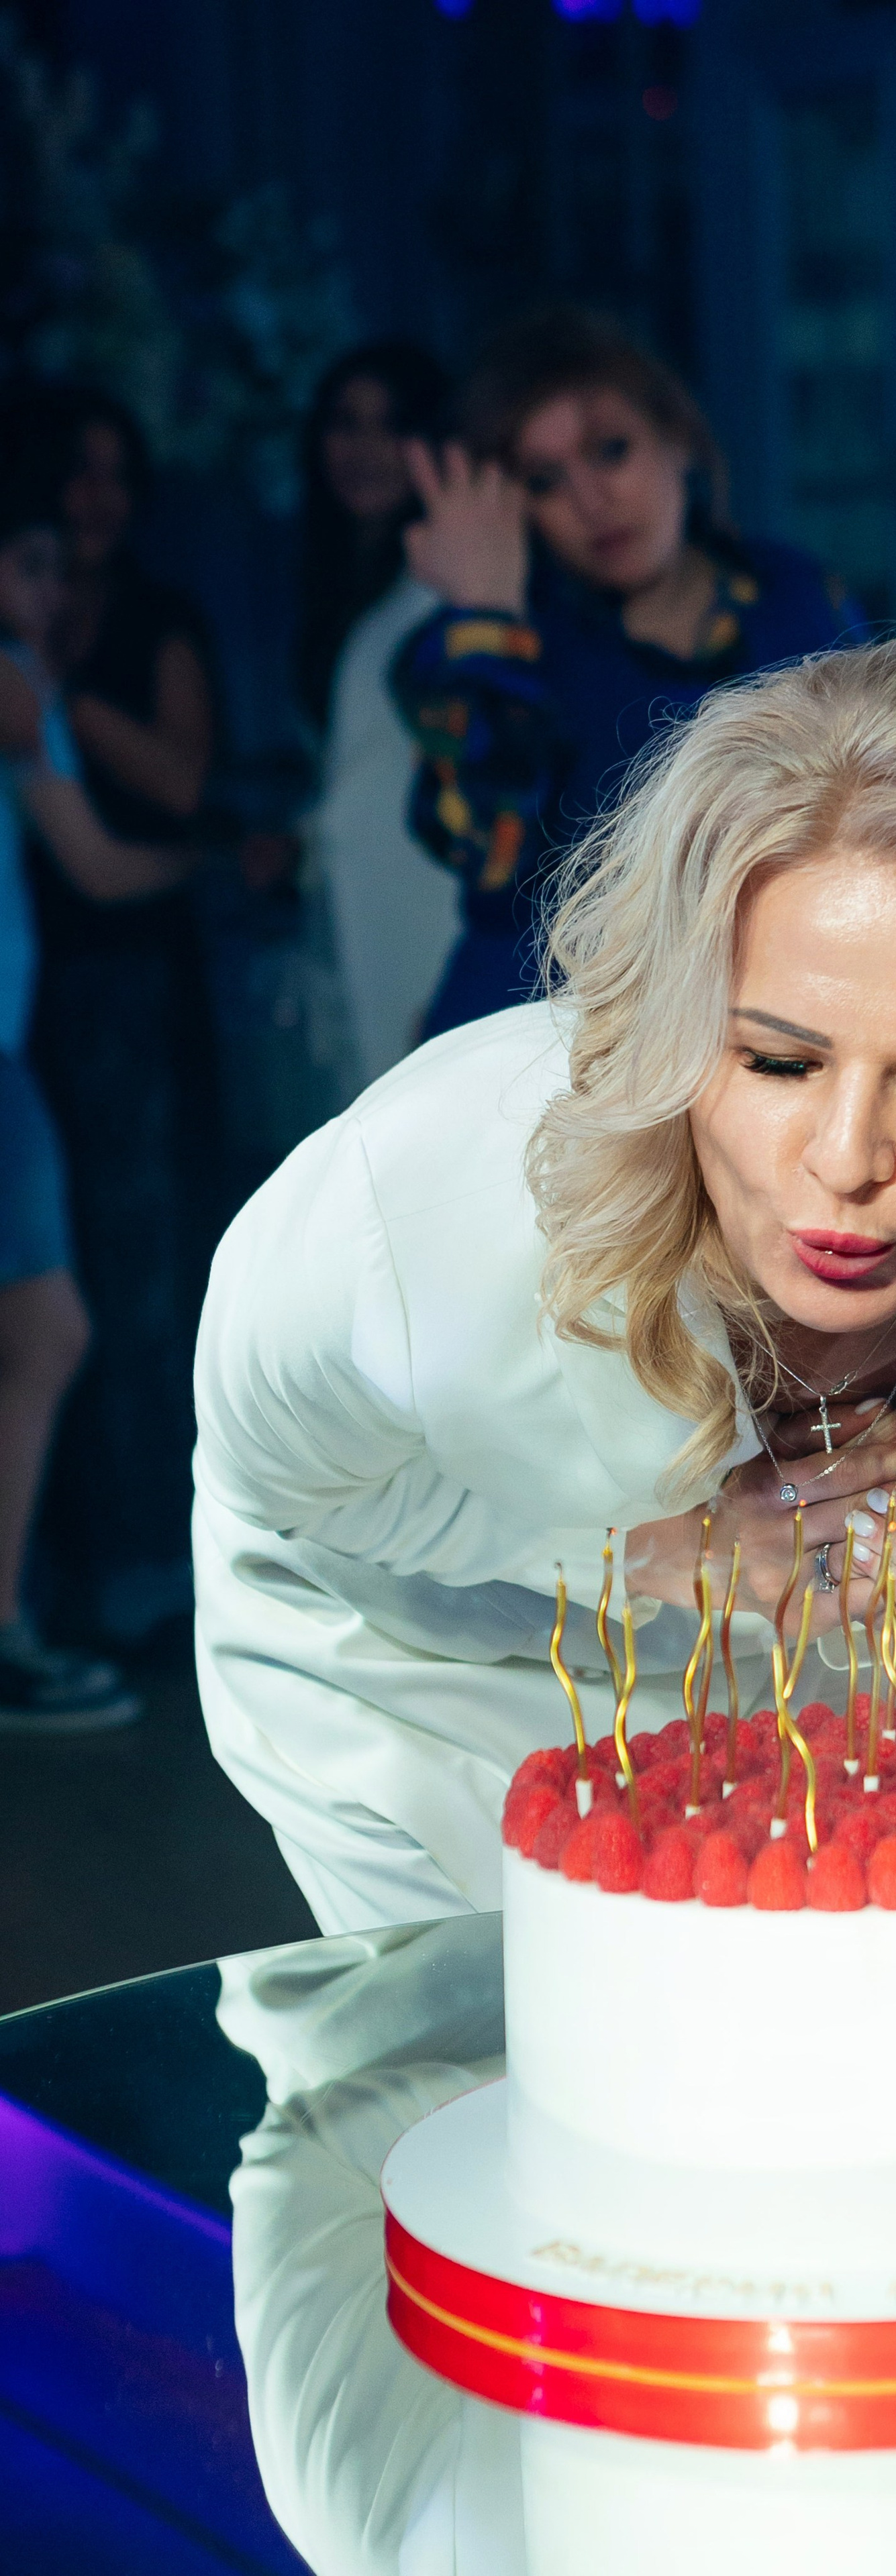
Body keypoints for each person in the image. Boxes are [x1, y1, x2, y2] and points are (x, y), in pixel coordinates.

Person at [192, 637, 896, 1936]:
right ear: (679, 1027)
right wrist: (666, 1555)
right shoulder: (432, 1221)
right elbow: (276, 1493)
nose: (849, 1162)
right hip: (421, 1688)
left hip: (801, 1702)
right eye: (777, 1062)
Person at [391, 305, 864, 1039]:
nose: (591, 501)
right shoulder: (491, 649)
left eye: (610, 451)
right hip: (542, 1043)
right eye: (544, 481)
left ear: (676, 438)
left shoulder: (796, 597)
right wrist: (484, 615)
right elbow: (483, 862)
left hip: (776, 1023)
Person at [0, 422, 195, 1728]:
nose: (51, 594)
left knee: (44, 1329)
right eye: (29, 562)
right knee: (54, 1328)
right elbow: (98, 863)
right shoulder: (15, 680)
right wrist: (234, 862)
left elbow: (90, 862)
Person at [290, 341, 460, 1089]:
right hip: (349, 913)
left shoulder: (448, 588)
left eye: (389, 426)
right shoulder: (333, 589)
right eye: (344, 423)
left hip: (427, 913)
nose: (364, 450)